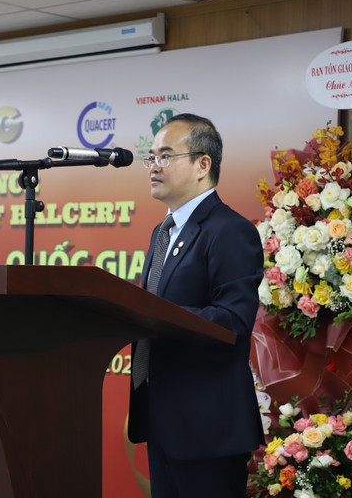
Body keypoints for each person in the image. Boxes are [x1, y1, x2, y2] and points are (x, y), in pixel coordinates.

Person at [128, 113, 265, 497]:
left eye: (166, 156)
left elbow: (233, 320)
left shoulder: (229, 230)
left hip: (207, 427)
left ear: (203, 164)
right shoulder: (163, 231)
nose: (154, 166)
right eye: (151, 157)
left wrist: (148, 313)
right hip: (163, 419)